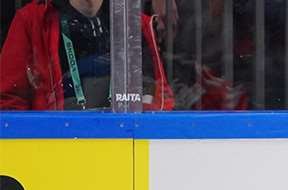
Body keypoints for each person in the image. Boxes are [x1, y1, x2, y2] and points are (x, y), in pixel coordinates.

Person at [0, 0, 173, 110]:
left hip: (121, 148)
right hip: (55, 149)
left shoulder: (135, 23)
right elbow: (8, 102)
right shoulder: (32, 21)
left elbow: (161, 100)